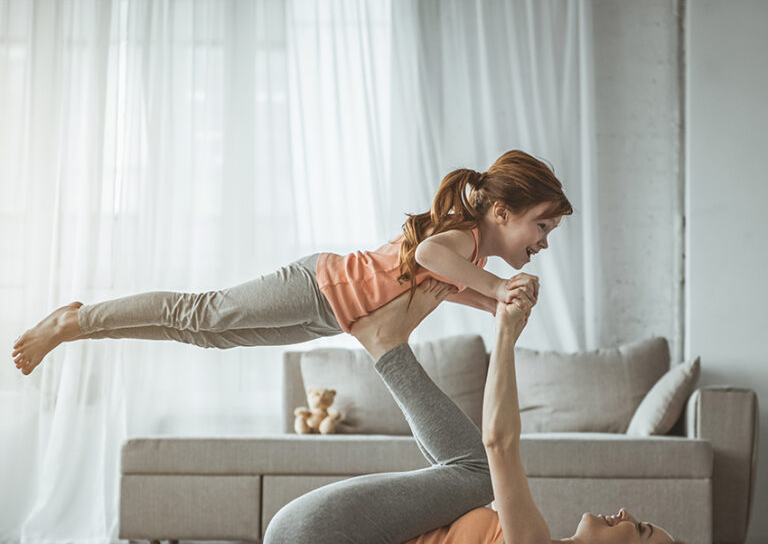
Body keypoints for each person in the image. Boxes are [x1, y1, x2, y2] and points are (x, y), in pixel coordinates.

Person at [262, 278, 706, 544]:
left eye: (641, 529)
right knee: (472, 477)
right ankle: (387, 344)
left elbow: (499, 444)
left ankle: (386, 344)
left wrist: (506, 333)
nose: (627, 513)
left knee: (478, 475)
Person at [12, 149, 571, 375]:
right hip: (319, 285)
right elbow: (427, 254)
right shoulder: (461, 239)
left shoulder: (469, 253)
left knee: (208, 336)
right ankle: (73, 322)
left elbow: (446, 284)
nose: (544, 240)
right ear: (502, 211)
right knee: (202, 313)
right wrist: (499, 290)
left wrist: (491, 308)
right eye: (541, 225)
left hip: (331, 316)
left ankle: (85, 328)